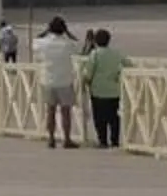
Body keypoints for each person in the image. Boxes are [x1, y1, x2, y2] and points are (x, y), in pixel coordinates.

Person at [32, 16, 80, 150]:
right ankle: (67, 138)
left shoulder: (43, 43)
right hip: (65, 80)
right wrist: (68, 33)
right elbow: (78, 46)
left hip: (48, 80)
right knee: (65, 112)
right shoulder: (67, 44)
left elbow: (35, 42)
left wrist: (45, 32)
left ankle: (51, 138)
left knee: (50, 111)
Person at [85, 26, 130, 151]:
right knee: (114, 117)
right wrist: (119, 74)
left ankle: (103, 140)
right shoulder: (116, 53)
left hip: (98, 90)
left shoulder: (95, 54)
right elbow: (129, 64)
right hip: (114, 90)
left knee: (99, 117)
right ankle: (115, 140)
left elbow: (89, 72)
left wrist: (85, 81)